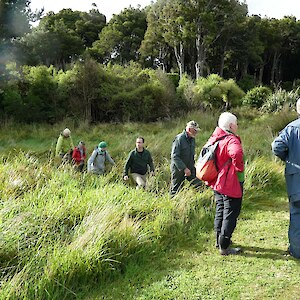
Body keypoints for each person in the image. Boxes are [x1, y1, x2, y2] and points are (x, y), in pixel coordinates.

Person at [206, 112, 244, 255]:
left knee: (221, 209)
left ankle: (219, 240)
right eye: (236, 123)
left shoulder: (215, 137)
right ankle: (224, 245)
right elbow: (236, 153)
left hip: (216, 180)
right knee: (231, 212)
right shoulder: (231, 140)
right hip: (229, 182)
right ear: (230, 125)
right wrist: (239, 167)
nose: (237, 126)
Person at [272, 99, 300, 259]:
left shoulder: (291, 128)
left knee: (297, 215)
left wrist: (288, 159)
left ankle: (296, 251)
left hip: (296, 179)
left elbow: (277, 147)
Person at [170, 120, 202, 196]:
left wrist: (193, 166)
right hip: (178, 169)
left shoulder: (192, 139)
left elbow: (191, 154)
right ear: (189, 129)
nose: (196, 132)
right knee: (176, 190)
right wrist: (184, 168)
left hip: (189, 167)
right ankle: (174, 205)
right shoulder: (179, 139)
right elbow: (174, 156)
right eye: (195, 130)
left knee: (198, 184)